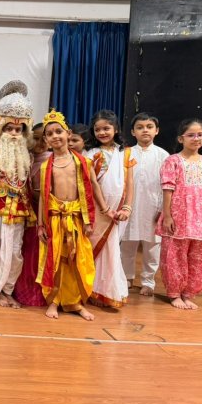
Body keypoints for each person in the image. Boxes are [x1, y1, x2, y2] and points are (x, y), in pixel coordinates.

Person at [36, 110, 112, 320]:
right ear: (46, 140)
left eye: (58, 131)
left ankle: (76, 303)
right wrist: (41, 225)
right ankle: (54, 301)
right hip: (55, 220)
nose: (55, 136)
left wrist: (102, 211)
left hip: (77, 219)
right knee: (56, 261)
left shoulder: (83, 162)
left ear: (68, 133)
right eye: (50, 134)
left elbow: (93, 187)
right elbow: (43, 196)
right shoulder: (46, 166)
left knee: (78, 260)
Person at [0, 85, 36, 308]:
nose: (13, 133)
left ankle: (8, 290)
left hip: (19, 213)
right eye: (9, 128)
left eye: (18, 129)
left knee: (15, 254)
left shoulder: (28, 155)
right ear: (0, 130)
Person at [156, 118, 202, 310]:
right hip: (179, 215)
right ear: (181, 138)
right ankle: (174, 293)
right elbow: (167, 189)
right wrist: (168, 216)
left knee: (198, 256)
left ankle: (189, 293)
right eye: (191, 135)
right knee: (174, 254)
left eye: (200, 135)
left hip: (201, 217)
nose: (196, 138)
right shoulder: (173, 161)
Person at [85, 110, 135, 308]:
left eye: (106, 128)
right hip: (99, 211)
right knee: (96, 248)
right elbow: (92, 185)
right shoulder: (91, 154)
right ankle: (92, 289)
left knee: (112, 249)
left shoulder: (126, 153)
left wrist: (127, 208)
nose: (102, 132)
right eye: (97, 129)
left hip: (118, 211)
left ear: (116, 129)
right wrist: (105, 210)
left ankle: (108, 292)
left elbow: (130, 184)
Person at [120, 113, 169, 296]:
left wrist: (163, 209)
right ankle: (126, 278)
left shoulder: (163, 155)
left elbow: (168, 186)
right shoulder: (125, 153)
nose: (145, 130)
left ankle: (148, 281)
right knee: (127, 244)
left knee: (152, 247)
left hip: (153, 207)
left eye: (149, 127)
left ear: (157, 131)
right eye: (140, 127)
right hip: (130, 207)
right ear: (133, 132)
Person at [14, 121, 50, 307]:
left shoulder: (52, 160)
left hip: (44, 214)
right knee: (25, 249)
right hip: (25, 211)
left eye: (45, 138)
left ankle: (41, 290)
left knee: (39, 251)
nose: (41, 143)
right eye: (36, 138)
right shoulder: (24, 159)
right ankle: (22, 288)